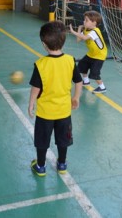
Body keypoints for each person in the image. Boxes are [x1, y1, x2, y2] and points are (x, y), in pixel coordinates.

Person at [28, 20, 82, 177]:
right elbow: (78, 81)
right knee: (63, 140)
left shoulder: (41, 64)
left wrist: (31, 104)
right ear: (64, 42)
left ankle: (41, 166)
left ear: (44, 44)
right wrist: (76, 97)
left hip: (45, 113)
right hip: (64, 112)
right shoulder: (70, 60)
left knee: (42, 141)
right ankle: (62, 164)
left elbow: (35, 89)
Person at [69, 10, 107, 94]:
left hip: (99, 55)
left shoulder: (95, 31)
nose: (84, 21)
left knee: (94, 73)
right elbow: (78, 40)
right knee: (82, 65)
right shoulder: (86, 30)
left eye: (86, 20)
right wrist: (79, 29)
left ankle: (102, 87)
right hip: (91, 54)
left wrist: (73, 31)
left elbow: (85, 38)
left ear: (94, 23)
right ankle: (86, 81)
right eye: (84, 20)